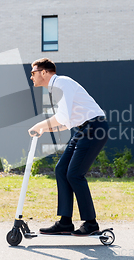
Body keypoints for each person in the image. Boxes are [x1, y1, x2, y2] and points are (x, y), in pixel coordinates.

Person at [28, 58, 109, 236]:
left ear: (44, 72)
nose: (31, 76)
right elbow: (66, 123)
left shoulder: (62, 83)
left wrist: (40, 125)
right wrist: (44, 129)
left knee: (74, 174)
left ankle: (91, 223)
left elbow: (63, 118)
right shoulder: (55, 88)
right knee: (61, 169)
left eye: (33, 72)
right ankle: (65, 222)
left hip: (94, 127)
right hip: (82, 129)